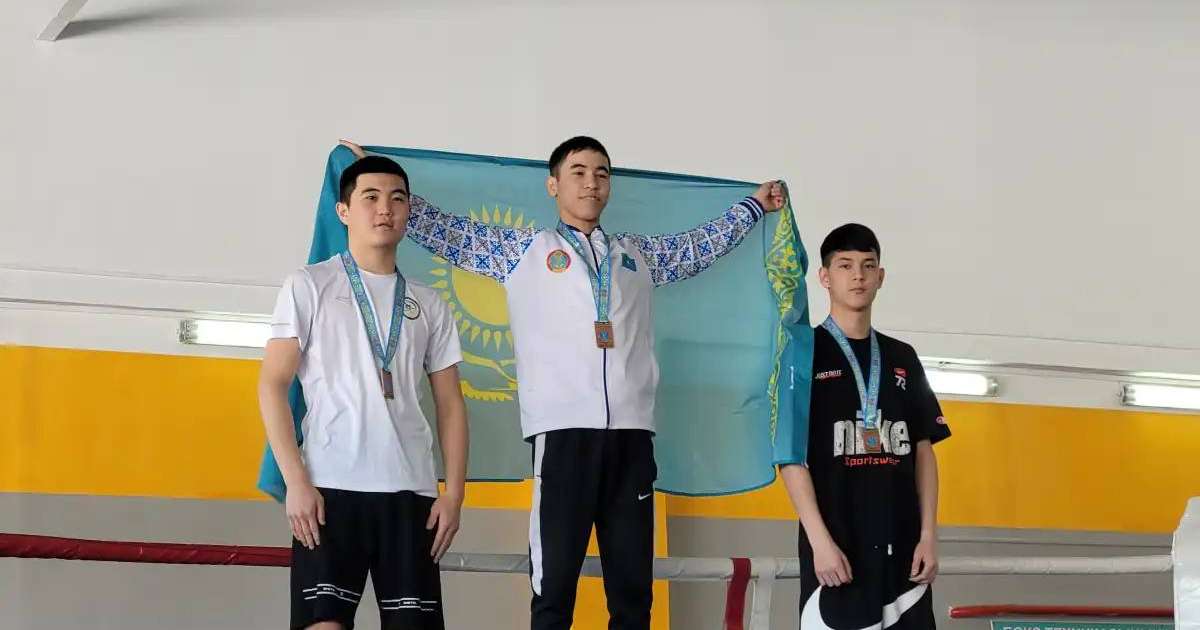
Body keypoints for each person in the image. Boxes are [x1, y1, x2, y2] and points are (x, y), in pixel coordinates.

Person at [340, 136, 785, 630]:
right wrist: (377, 173)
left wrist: (753, 206)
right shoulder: (522, 251)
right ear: (553, 184)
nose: (591, 183)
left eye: (601, 173)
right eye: (578, 172)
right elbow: (447, 232)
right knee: (553, 592)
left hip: (633, 441)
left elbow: (697, 247)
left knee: (634, 594)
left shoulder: (636, 255)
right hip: (563, 437)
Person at [259, 156, 469, 630]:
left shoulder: (429, 302)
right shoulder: (308, 285)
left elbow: (451, 406)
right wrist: (296, 481)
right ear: (343, 210)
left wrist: (453, 493)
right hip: (329, 489)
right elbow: (273, 385)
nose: (384, 209)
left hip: (410, 492)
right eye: (370, 197)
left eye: (397, 199)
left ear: (409, 211)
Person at [779, 223, 951, 630]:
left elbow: (924, 450)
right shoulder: (801, 354)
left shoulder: (902, 356)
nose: (857, 275)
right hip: (839, 553)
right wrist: (820, 543)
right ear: (824, 276)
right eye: (845, 265)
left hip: (905, 555)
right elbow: (789, 458)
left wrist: (928, 534)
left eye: (867, 266)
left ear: (880, 277)